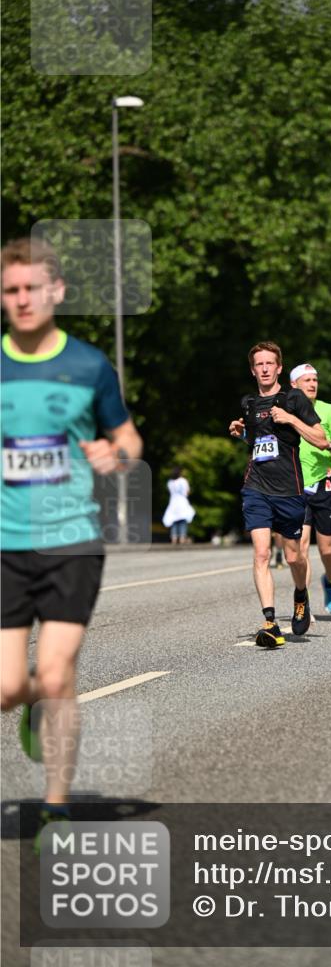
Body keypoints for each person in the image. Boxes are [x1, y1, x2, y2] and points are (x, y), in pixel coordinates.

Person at [1, 237, 143, 837]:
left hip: (71, 540)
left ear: (56, 291)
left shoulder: (89, 366)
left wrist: (116, 453)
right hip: (6, 545)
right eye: (11, 290)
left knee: (58, 674)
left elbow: (129, 438)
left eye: (32, 288)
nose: (22, 299)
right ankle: (32, 703)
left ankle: (55, 806)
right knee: (8, 686)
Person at [229, 341, 327, 648]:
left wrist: (291, 419)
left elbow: (322, 439)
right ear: (253, 370)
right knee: (261, 553)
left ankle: (301, 594)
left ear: (279, 368)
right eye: (259, 364)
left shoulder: (294, 398)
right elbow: (260, 443)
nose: (264, 369)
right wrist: (243, 434)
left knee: (293, 556)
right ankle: (270, 622)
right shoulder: (248, 403)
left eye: (269, 363)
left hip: (289, 489)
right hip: (256, 487)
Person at [290, 363, 331, 614]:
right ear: (293, 385)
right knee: (301, 546)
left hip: (325, 483)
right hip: (295, 486)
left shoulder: (329, 410)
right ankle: (304, 603)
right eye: (307, 380)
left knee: (326, 549)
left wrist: (327, 445)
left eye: (315, 380)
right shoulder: (285, 410)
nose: (313, 384)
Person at [162, 466, 195, 544]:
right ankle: (182, 538)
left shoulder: (170, 482)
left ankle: (174, 538)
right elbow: (186, 492)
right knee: (183, 521)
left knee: (173, 521)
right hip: (182, 502)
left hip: (173, 503)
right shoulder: (183, 481)